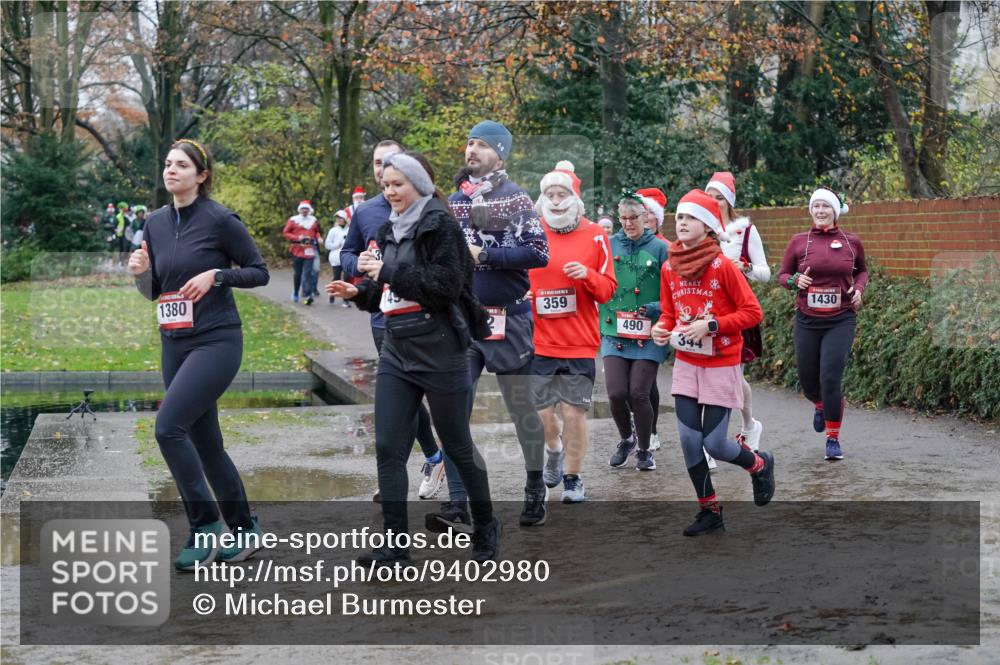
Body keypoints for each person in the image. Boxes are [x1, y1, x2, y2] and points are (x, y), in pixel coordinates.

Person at [327, 151, 501, 563]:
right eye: (385, 185)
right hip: (397, 350)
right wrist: (360, 292)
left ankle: (486, 525)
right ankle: (395, 543)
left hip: (441, 349)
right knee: (388, 446)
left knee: (457, 445)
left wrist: (385, 273)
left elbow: (444, 285)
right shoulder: (389, 228)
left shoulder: (441, 225)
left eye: (397, 184)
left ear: (418, 184)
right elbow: (387, 293)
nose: (390, 192)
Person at [128, 138, 269, 568]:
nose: (171, 170)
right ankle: (244, 529)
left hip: (216, 340)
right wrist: (141, 273)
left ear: (201, 175)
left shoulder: (220, 219)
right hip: (174, 341)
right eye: (168, 164)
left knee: (169, 428)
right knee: (206, 443)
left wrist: (217, 275)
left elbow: (259, 272)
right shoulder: (154, 223)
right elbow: (155, 291)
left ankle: (205, 526)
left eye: (182, 165)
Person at [426, 120, 550, 531]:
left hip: (509, 319)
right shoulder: (454, 200)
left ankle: (535, 486)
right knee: (452, 412)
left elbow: (539, 253)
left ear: (500, 153)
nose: (471, 150)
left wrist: (485, 255)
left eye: (481, 144)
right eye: (469, 142)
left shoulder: (516, 198)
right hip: (464, 321)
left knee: (521, 410)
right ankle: (457, 502)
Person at [651, 189, 774, 536]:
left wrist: (713, 325)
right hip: (687, 362)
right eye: (679, 217)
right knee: (690, 440)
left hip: (721, 362)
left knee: (715, 444)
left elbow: (752, 312)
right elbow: (669, 313)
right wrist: (661, 328)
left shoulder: (723, 266)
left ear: (707, 226)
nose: (682, 222)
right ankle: (710, 511)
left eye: (690, 217)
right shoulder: (669, 267)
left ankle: (759, 465)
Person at [340, 140, 445, 500]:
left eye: (389, 163)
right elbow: (347, 253)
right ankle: (414, 465)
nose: (381, 169)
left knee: (425, 400)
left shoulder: (432, 210)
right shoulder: (366, 211)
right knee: (399, 400)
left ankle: (445, 464)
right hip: (383, 317)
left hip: (428, 320)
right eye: (376, 163)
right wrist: (357, 264)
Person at [529, 160, 617, 503]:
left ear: (575, 199)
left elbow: (608, 290)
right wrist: (522, 295)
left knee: (573, 411)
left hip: (579, 341)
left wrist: (588, 275)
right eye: (549, 194)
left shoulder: (595, 235)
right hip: (539, 340)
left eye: (561, 194)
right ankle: (554, 449)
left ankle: (573, 478)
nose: (555, 200)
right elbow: (515, 276)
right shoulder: (531, 231)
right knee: (542, 413)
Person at [777, 187, 868, 461]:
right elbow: (782, 275)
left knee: (830, 377)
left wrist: (859, 289)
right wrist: (795, 281)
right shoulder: (798, 241)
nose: (820, 211)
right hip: (807, 319)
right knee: (808, 380)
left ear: (835, 211)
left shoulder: (852, 242)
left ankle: (833, 438)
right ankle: (819, 403)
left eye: (825, 206)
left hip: (841, 319)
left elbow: (862, 271)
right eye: (816, 206)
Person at [600, 192, 669, 471]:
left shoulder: (661, 249)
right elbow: (596, 279)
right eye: (624, 218)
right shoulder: (609, 245)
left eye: (633, 218)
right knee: (617, 393)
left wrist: (656, 308)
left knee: (639, 392)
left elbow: (675, 291)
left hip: (650, 332)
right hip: (613, 329)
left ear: (646, 218)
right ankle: (626, 439)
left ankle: (644, 449)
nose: (628, 224)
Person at [707, 171, 769, 457]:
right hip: (704, 310)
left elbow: (765, 273)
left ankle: (745, 427)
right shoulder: (700, 228)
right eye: (709, 196)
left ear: (729, 201)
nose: (714, 202)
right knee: (708, 375)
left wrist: (746, 268)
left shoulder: (745, 231)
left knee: (732, 375)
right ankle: (715, 438)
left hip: (736, 310)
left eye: (719, 198)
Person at [282, 200, 322, 305]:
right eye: (303, 209)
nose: (304, 210)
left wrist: (319, 238)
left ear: (309, 210)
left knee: (308, 273)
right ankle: (296, 292)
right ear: (299, 210)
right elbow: (285, 233)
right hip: (297, 249)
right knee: (298, 273)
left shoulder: (313, 220)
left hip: (309, 250)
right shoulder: (293, 220)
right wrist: (297, 237)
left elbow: (317, 232)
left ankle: (308, 295)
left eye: (306, 209)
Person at [325, 210, 351, 306]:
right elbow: (327, 245)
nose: (339, 219)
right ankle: (332, 293)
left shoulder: (350, 230)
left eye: (341, 218)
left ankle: (346, 299)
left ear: (345, 219)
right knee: (337, 277)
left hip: (347, 257)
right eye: (337, 218)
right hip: (336, 258)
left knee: (347, 278)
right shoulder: (333, 230)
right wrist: (336, 245)